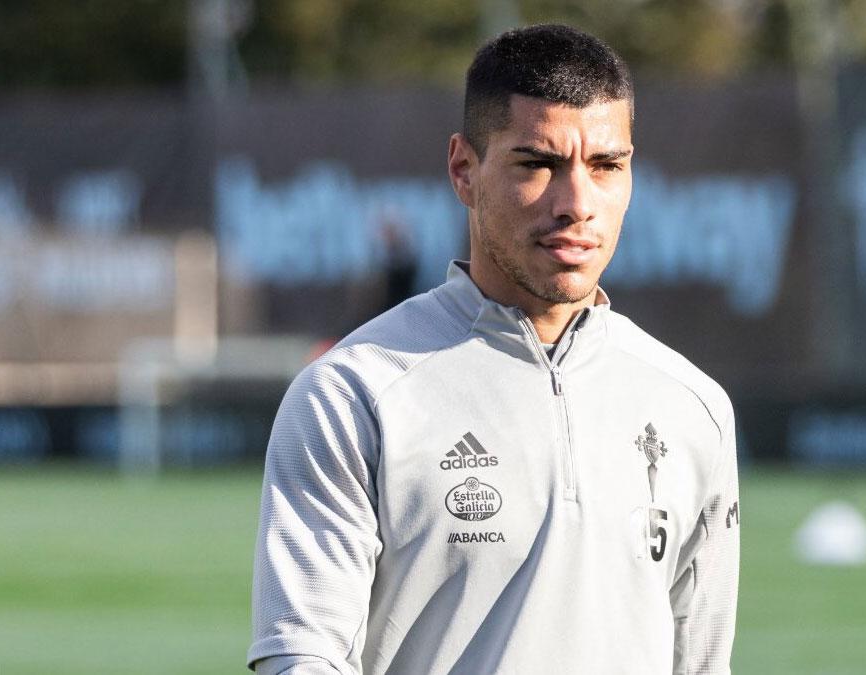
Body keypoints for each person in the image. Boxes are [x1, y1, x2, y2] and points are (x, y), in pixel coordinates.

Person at [249, 24, 739, 675]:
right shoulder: (350, 395)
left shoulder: (693, 407)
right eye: (538, 164)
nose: (577, 203)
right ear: (463, 169)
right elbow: (302, 655)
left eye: (605, 166)